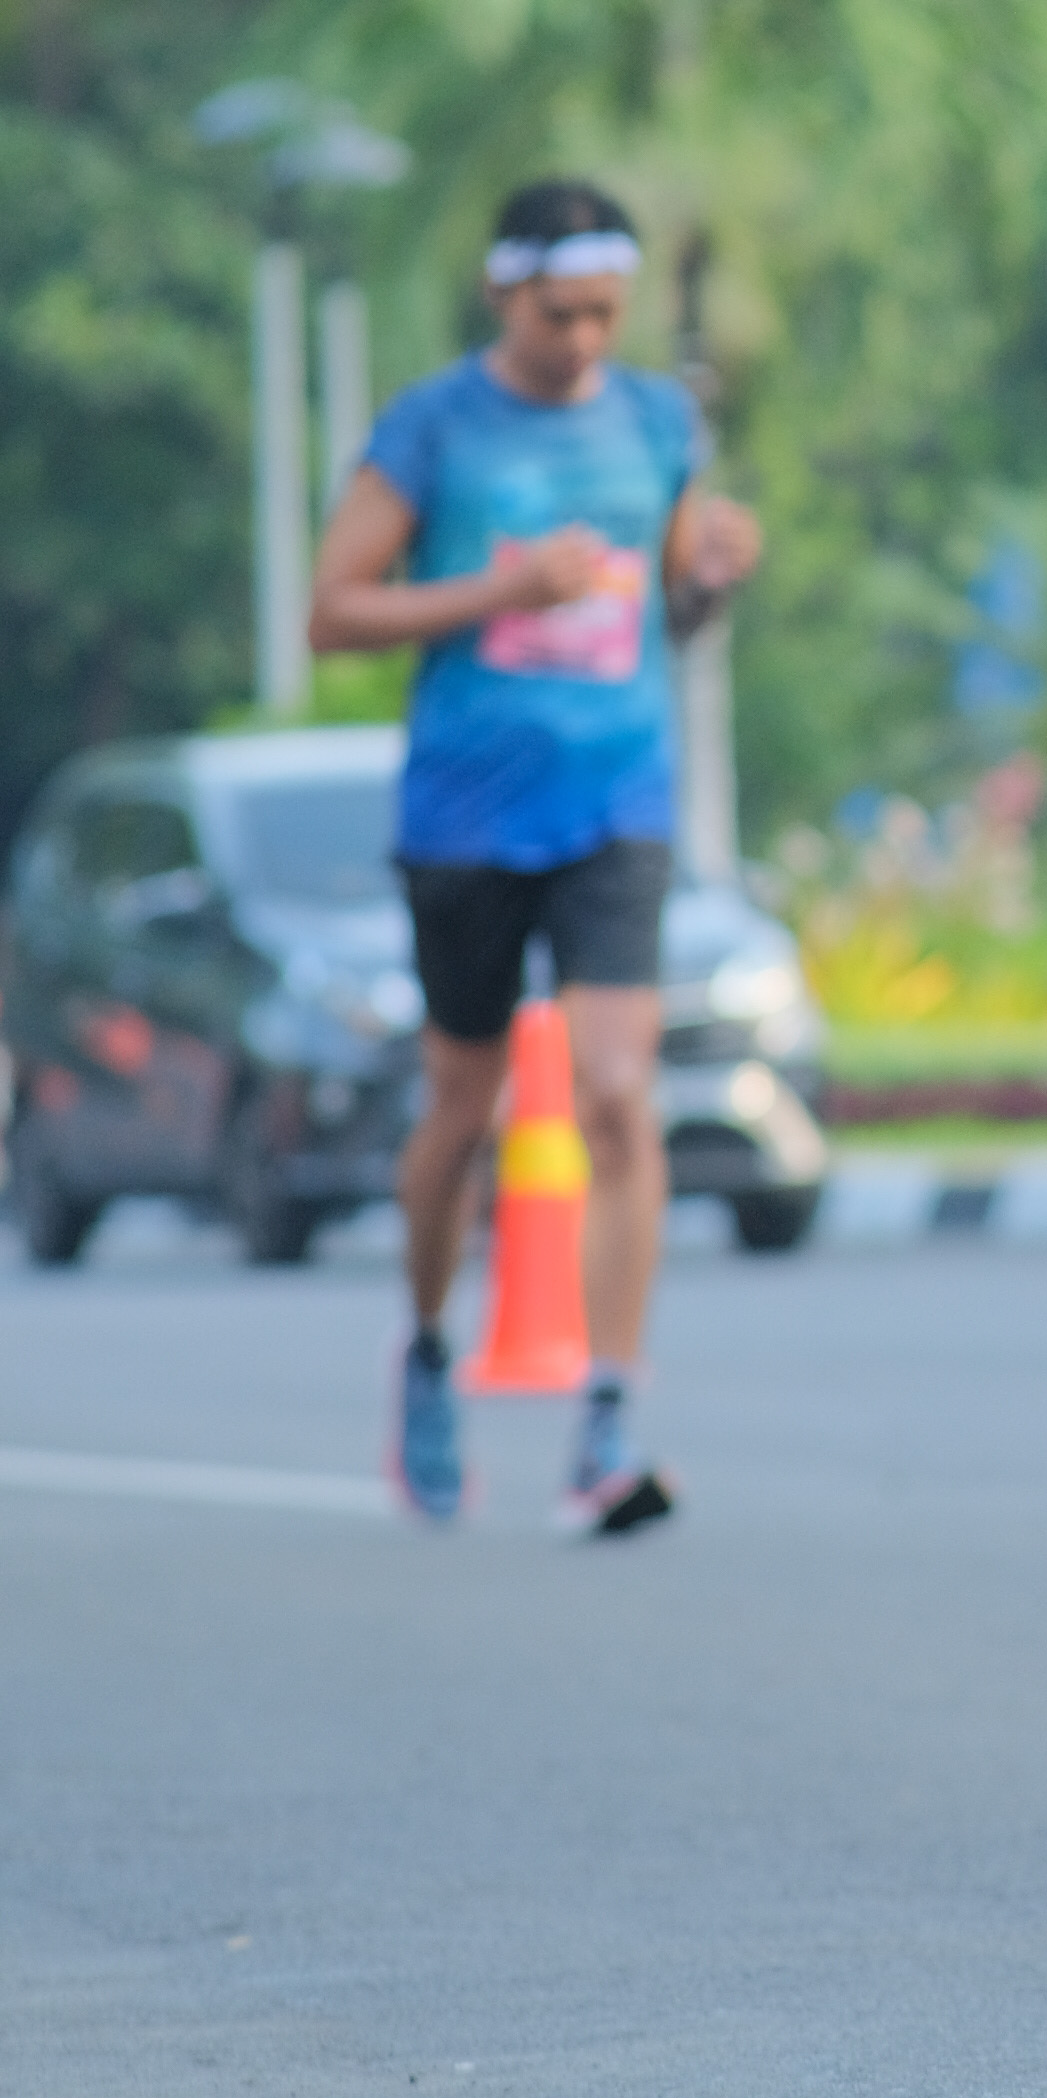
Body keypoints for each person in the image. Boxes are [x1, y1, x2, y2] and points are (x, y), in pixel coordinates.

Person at [307, 179, 763, 1534]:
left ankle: (608, 1415)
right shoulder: (434, 426)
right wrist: (501, 590)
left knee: (619, 1094)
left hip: (616, 802)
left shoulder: (656, 422)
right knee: (464, 1109)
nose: (582, 339)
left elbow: (669, 608)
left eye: (605, 314)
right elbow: (334, 609)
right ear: (503, 290)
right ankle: (426, 1347)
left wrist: (711, 576)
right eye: (559, 313)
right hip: (465, 816)